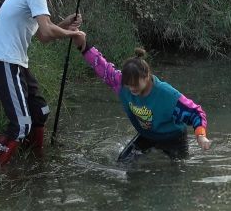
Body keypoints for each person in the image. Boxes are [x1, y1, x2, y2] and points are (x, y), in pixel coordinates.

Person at [0, 0, 90, 166]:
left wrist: (65, 24)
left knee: (40, 111)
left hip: (17, 64)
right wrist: (74, 35)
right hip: (5, 62)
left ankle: (34, 161)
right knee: (22, 124)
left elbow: (44, 37)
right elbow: (47, 29)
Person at [82, 45, 212, 161]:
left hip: (173, 138)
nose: (132, 89)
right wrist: (84, 47)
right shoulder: (121, 84)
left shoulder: (167, 94)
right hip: (147, 135)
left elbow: (195, 112)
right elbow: (102, 66)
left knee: (176, 173)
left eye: (135, 85)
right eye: (128, 85)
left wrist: (201, 136)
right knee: (123, 162)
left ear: (147, 76)